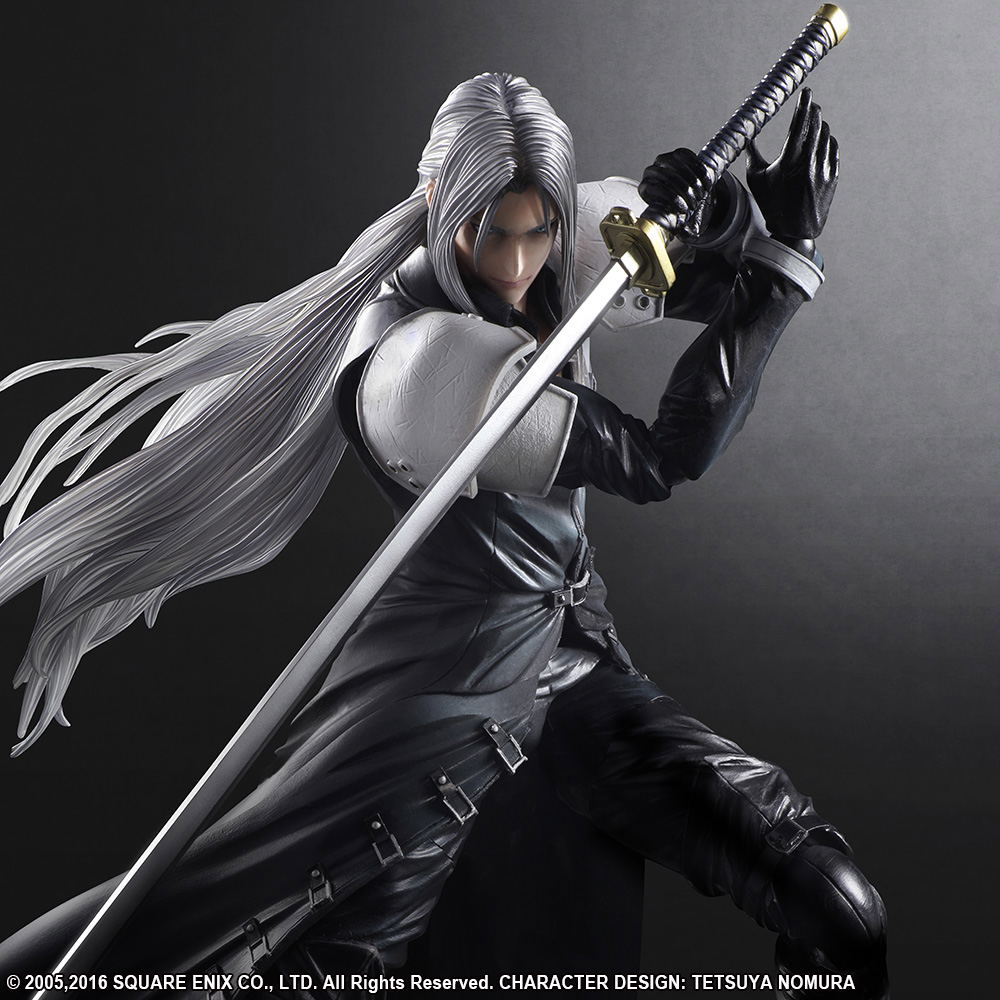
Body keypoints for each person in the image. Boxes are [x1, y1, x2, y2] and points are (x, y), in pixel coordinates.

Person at [0, 73, 885, 999]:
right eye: (491, 233)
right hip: (440, 709)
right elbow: (665, 457)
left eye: (538, 231)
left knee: (837, 904)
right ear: (436, 200)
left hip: (569, 668)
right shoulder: (418, 366)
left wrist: (731, 224)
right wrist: (783, 266)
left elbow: (698, 287)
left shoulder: (553, 244)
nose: (516, 265)